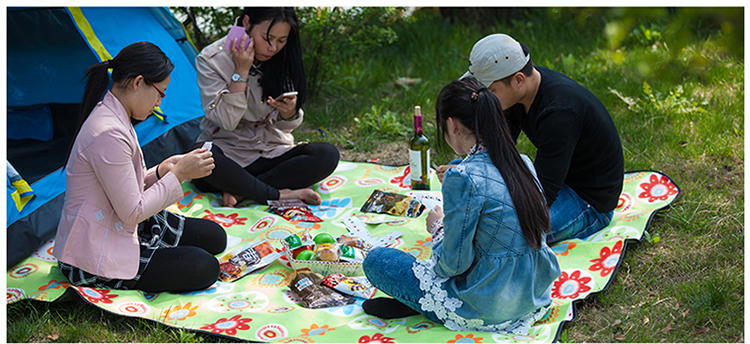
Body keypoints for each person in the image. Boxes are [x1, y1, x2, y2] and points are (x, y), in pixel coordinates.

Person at [362, 77, 561, 334]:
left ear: (452, 125)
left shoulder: (463, 177)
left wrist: (438, 228)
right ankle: (423, 303)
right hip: (533, 296)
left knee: (378, 260)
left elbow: (453, 264)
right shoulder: (522, 162)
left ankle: (432, 306)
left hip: (487, 306)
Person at [53, 42, 227, 293]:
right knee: (204, 266)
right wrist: (179, 175)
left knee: (214, 237)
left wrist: (160, 172)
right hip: (93, 254)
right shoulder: (108, 132)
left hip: (118, 218)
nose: (159, 103)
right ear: (138, 83)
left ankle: (152, 244)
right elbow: (132, 212)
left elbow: (122, 187)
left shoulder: (115, 115)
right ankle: (148, 249)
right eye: (160, 93)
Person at [439, 33, 624, 243]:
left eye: (491, 91)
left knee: (500, 237)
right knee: (461, 169)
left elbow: (541, 196)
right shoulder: (518, 94)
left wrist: (484, 197)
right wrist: (468, 173)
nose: (487, 99)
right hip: (554, 177)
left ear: (518, 79)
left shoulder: (559, 113)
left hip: (587, 200)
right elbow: (499, 149)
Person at [193, 7, 340, 207]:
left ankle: (244, 191)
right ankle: (279, 193)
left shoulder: (283, 56)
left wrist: (288, 113)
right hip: (229, 151)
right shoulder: (211, 59)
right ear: (246, 22)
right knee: (203, 158)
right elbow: (226, 121)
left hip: (269, 149)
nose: (273, 48)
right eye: (267, 38)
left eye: (281, 40)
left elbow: (287, 127)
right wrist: (241, 71)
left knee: (327, 155)